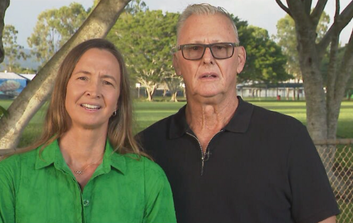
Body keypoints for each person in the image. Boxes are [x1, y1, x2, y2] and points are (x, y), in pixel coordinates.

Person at [136, 3, 339, 223]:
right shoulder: (146, 148)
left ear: (240, 60)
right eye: (194, 49)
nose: (207, 59)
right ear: (177, 63)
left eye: (221, 48)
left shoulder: (288, 138)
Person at [0, 39, 176, 223]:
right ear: (63, 90)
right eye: (83, 78)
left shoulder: (148, 180)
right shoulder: (7, 179)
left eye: (107, 82)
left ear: (118, 102)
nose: (94, 91)